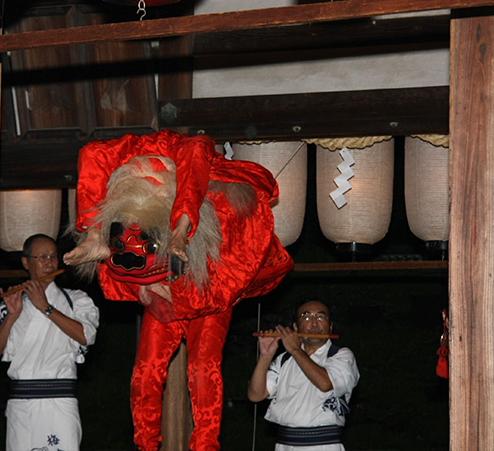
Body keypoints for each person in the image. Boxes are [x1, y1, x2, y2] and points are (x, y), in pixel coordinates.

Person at [64, 130, 293, 451]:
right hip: (162, 290)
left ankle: (205, 447)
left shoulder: (213, 192)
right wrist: (92, 227)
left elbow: (223, 289)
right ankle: (145, 446)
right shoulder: (124, 169)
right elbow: (92, 154)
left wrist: (182, 230)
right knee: (145, 372)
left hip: (205, 288)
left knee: (202, 370)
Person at [0, 234, 99, 451]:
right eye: (42, 257)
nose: (50, 263)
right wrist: (12, 316)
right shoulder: (12, 304)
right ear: (26, 263)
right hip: (20, 406)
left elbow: (86, 336)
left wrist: (46, 308)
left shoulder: (77, 299)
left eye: (53, 256)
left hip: (60, 403)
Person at [248, 300, 360, 451]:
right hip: (284, 445)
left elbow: (325, 383)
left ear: (330, 326)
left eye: (321, 317)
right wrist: (265, 356)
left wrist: (295, 349)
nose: (314, 323)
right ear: (296, 327)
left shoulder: (341, 356)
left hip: (323, 445)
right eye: (306, 318)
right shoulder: (284, 359)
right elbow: (256, 394)